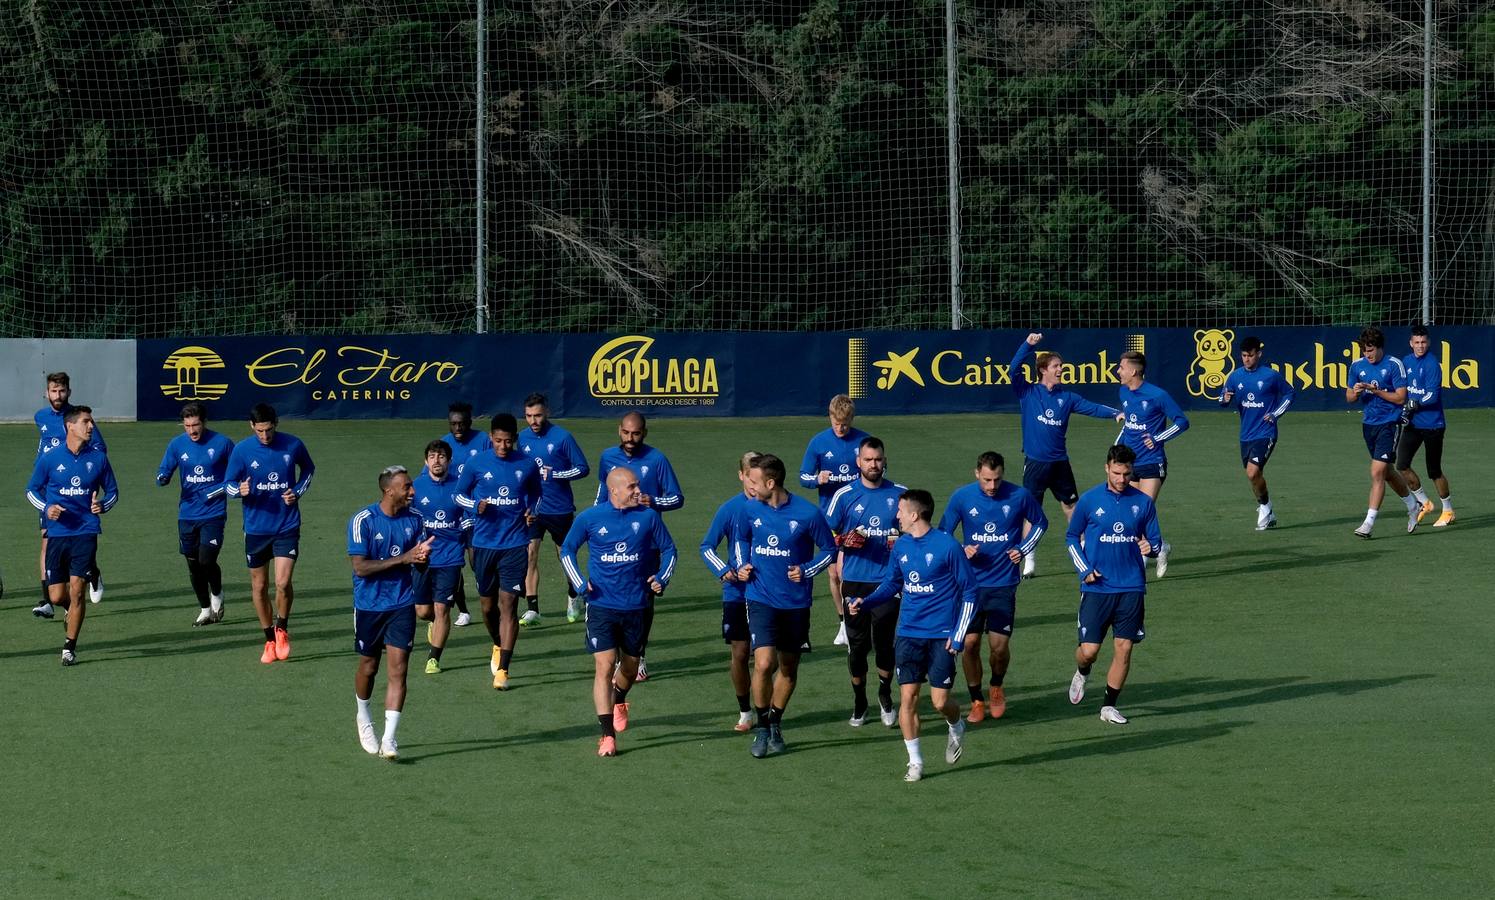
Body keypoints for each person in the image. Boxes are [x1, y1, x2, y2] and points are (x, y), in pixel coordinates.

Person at [846, 489, 977, 782]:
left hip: (941, 635)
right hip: (908, 634)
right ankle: (915, 761)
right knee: (908, 698)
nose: (897, 516)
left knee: (941, 702)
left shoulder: (947, 546)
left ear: (915, 514)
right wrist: (864, 603)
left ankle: (956, 725)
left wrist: (958, 635)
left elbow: (970, 591)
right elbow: (892, 583)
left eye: (901, 511)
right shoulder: (902, 546)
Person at [560, 468, 677, 757]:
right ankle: (607, 735)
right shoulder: (590, 518)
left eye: (637, 485)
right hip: (600, 605)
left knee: (629, 666)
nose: (638, 491)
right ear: (614, 491)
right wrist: (578, 583)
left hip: (636, 605)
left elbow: (671, 550)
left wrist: (661, 578)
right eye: (632, 487)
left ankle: (619, 699)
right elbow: (567, 550)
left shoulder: (648, 517)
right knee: (604, 665)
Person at [731, 453, 836, 758]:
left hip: (796, 602)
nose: (750, 486)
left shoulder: (807, 513)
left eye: (754, 481)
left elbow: (829, 550)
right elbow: (740, 540)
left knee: (788, 668)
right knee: (764, 663)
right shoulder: (749, 509)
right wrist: (742, 564)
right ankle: (762, 727)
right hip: (760, 596)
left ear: (771, 483)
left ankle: (775, 721)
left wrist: (806, 569)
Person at [937, 451, 1047, 723]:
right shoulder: (961, 497)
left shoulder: (1019, 496)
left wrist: (1023, 549)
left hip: (1003, 583)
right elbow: (942, 534)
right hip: (968, 586)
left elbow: (1041, 523)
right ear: (977, 473)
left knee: (998, 647)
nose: (992, 486)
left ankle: (996, 686)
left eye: (997, 480)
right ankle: (976, 700)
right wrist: (962, 550)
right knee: (970, 644)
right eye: (987, 480)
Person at [1065, 445, 1162, 725]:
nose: (1122, 479)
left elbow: (1156, 541)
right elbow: (1072, 537)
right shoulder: (1089, 500)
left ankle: (1108, 706)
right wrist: (1083, 569)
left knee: (1124, 647)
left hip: (1131, 587)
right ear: (1107, 468)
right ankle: (1083, 671)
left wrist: (1151, 546)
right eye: (1117, 473)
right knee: (1089, 651)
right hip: (1096, 588)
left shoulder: (1143, 503)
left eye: (1127, 473)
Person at [1008, 334, 1121, 577]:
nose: (1061, 370)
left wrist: (1115, 414)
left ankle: (1083, 550)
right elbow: (1013, 368)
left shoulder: (1067, 397)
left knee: (1072, 507)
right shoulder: (1027, 392)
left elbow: (1092, 407)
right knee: (1031, 512)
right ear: (1043, 370)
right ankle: (1029, 559)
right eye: (1056, 366)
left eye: (1061, 366)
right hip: (1036, 464)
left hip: (1060, 464)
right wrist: (1028, 344)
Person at [349, 465, 434, 760]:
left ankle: (389, 739)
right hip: (370, 606)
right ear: (389, 491)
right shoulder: (363, 521)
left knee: (398, 670)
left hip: (401, 604)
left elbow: (419, 563)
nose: (413, 491)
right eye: (407, 486)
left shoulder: (416, 520)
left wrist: (422, 559)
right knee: (369, 668)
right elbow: (360, 567)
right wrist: (405, 558)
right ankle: (363, 715)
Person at [25, 406, 119, 665]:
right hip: (57, 533)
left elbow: (112, 492)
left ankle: (69, 646)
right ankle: (68, 609)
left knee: (77, 591)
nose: (91, 427)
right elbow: (31, 490)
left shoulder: (98, 459)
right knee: (56, 596)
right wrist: (47, 507)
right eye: (86, 422)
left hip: (86, 531)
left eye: (91, 422)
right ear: (71, 427)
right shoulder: (50, 458)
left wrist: (102, 505)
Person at [593, 411, 683, 681]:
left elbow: (677, 498)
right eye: (626, 433)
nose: (630, 439)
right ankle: (617, 656)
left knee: (644, 599)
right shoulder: (608, 457)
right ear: (619, 430)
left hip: (647, 543)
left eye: (636, 433)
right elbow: (602, 492)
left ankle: (637, 655)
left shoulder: (657, 459)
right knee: (613, 596)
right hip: (613, 542)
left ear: (644, 433)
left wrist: (652, 501)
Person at [455, 413, 542, 690]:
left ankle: (503, 668)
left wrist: (531, 511)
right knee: (487, 607)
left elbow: (536, 494)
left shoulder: (527, 465)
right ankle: (496, 644)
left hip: (515, 544)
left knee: (509, 605)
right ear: (491, 438)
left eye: (508, 441)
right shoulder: (476, 463)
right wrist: (474, 505)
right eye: (498, 441)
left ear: (515, 439)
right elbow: (458, 495)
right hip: (483, 544)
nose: (503, 446)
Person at [225, 403, 315, 664]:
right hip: (255, 528)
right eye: (260, 431)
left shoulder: (293, 445)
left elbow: (308, 470)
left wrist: (297, 491)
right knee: (259, 586)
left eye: (268, 430)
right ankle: (268, 639)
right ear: (252, 426)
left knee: (283, 583)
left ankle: (282, 629)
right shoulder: (242, 450)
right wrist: (238, 490)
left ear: (275, 423)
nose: (265, 435)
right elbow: (228, 484)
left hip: (286, 525)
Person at [825, 437, 905, 728]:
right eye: (868, 460)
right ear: (859, 462)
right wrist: (844, 541)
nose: (874, 465)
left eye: (878, 459)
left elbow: (913, 532)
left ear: (885, 460)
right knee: (857, 648)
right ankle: (860, 700)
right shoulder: (844, 495)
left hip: (887, 583)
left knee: (884, 644)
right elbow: (824, 534)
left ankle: (885, 694)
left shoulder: (900, 494)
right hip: (855, 583)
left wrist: (901, 542)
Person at [699, 450, 764, 732]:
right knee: (740, 653)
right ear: (741, 476)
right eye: (750, 477)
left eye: (759, 477)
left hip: (769, 594)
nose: (754, 483)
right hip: (737, 593)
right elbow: (706, 546)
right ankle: (745, 710)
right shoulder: (729, 509)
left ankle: (767, 708)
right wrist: (724, 570)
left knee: (767, 659)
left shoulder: (775, 507)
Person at [32, 371, 106, 618]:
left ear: (69, 392)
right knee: (46, 540)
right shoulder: (40, 417)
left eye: (62, 391)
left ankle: (92, 572)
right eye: (54, 391)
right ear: (46, 392)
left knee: (78, 541)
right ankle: (47, 600)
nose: (58, 395)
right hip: (50, 490)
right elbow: (44, 446)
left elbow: (100, 450)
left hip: (77, 491)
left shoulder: (79, 418)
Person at [798, 394, 869, 646]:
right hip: (830, 520)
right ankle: (843, 624)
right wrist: (818, 479)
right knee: (834, 573)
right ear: (830, 417)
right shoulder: (818, 443)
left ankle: (859, 620)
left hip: (859, 518)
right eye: (837, 422)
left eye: (846, 423)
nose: (841, 427)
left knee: (856, 571)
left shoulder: (863, 441)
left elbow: (879, 471)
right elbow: (803, 477)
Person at [155, 402, 235, 625]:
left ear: (204, 422)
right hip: (187, 514)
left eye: (196, 424)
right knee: (193, 564)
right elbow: (164, 470)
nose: (192, 430)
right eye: (187, 425)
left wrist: (212, 492)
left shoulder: (222, 443)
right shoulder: (177, 444)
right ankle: (204, 610)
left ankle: (217, 593)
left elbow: (237, 474)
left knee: (206, 560)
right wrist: (163, 477)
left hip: (214, 513)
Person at [519, 392, 590, 626]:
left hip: (559, 509)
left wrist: (557, 474)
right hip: (533, 509)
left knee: (565, 556)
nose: (533, 421)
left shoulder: (562, 437)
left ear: (546, 412)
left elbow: (582, 468)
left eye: (538, 415)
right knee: (530, 555)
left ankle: (573, 595)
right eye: (529, 416)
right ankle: (533, 609)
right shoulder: (521, 439)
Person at [1116, 350, 1187, 575]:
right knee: (1131, 513)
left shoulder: (1157, 395)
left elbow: (1182, 422)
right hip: (1130, 464)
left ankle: (1143, 556)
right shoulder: (1123, 392)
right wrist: (1116, 453)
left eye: (1121, 367)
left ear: (1134, 371)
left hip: (1152, 462)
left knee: (1141, 511)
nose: (1118, 371)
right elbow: (1128, 426)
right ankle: (1160, 547)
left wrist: (1157, 438)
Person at [1347, 326, 1421, 538]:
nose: (1367, 355)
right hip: (1369, 424)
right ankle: (1413, 505)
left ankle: (1368, 524)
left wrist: (1375, 390)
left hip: (1390, 423)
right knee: (1387, 472)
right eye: (1364, 351)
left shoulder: (1394, 364)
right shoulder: (1356, 366)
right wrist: (1357, 391)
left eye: (1370, 350)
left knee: (1377, 472)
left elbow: (1400, 398)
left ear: (1379, 348)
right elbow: (1349, 397)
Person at [1219, 336, 1295, 530]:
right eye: (1244, 355)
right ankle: (1267, 507)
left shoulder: (1271, 375)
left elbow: (1290, 393)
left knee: (1253, 472)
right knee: (1253, 475)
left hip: (1266, 432)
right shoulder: (1235, 376)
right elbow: (1224, 398)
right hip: (1246, 435)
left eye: (1250, 355)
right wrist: (1224, 398)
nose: (1247, 359)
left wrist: (1275, 413)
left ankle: (1264, 508)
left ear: (1258, 354)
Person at [411, 441, 471, 675]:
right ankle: (432, 623)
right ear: (426, 461)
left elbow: (468, 518)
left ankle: (434, 657)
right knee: (423, 611)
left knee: (442, 608)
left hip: (451, 557)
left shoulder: (460, 487)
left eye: (442, 456)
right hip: (423, 557)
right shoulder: (415, 487)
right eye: (433, 456)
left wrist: (467, 541)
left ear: (449, 460)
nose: (437, 460)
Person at [437, 402, 489, 626]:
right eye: (453, 424)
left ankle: (486, 593)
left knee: (475, 558)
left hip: (474, 511)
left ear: (470, 422)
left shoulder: (483, 440)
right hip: (449, 514)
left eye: (462, 423)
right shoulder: (443, 445)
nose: (457, 428)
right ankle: (463, 610)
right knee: (453, 562)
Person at [1397, 325, 1454, 527]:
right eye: (1417, 342)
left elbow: (1432, 395)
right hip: (1413, 424)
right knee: (1401, 464)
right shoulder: (1406, 361)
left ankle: (1448, 510)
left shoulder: (1431, 364)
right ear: (1411, 343)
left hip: (1433, 425)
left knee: (1434, 471)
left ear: (1428, 343)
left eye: (1423, 342)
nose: (1420, 346)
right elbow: (1401, 388)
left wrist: (1415, 403)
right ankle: (1424, 502)